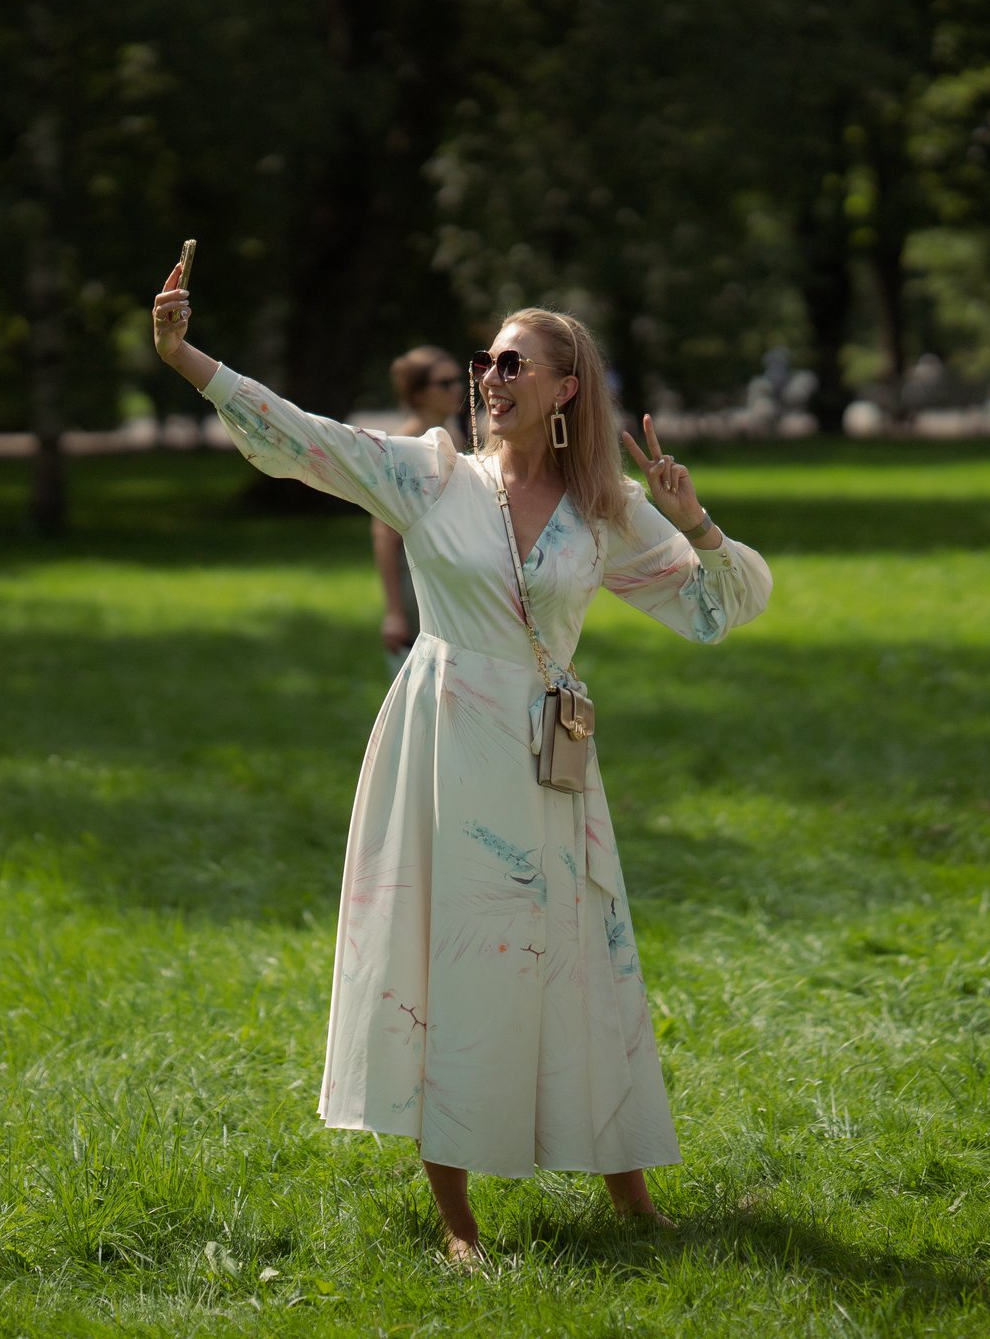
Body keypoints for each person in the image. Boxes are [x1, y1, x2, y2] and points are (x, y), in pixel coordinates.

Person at [149, 262, 773, 1265]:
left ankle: (633, 1196)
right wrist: (187, 358)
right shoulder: (430, 475)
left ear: (566, 386)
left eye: (511, 361)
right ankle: (457, 1218)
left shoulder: (604, 508)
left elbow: (718, 609)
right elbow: (306, 436)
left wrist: (691, 515)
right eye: (484, 359)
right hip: (442, 743)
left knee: (581, 960)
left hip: (549, 757)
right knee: (450, 959)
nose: (489, 376)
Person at [373, 348, 466, 670]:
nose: (457, 389)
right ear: (418, 393)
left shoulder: (456, 439)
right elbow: (384, 534)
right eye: (445, 383)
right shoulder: (402, 446)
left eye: (458, 380)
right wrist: (395, 612)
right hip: (417, 582)